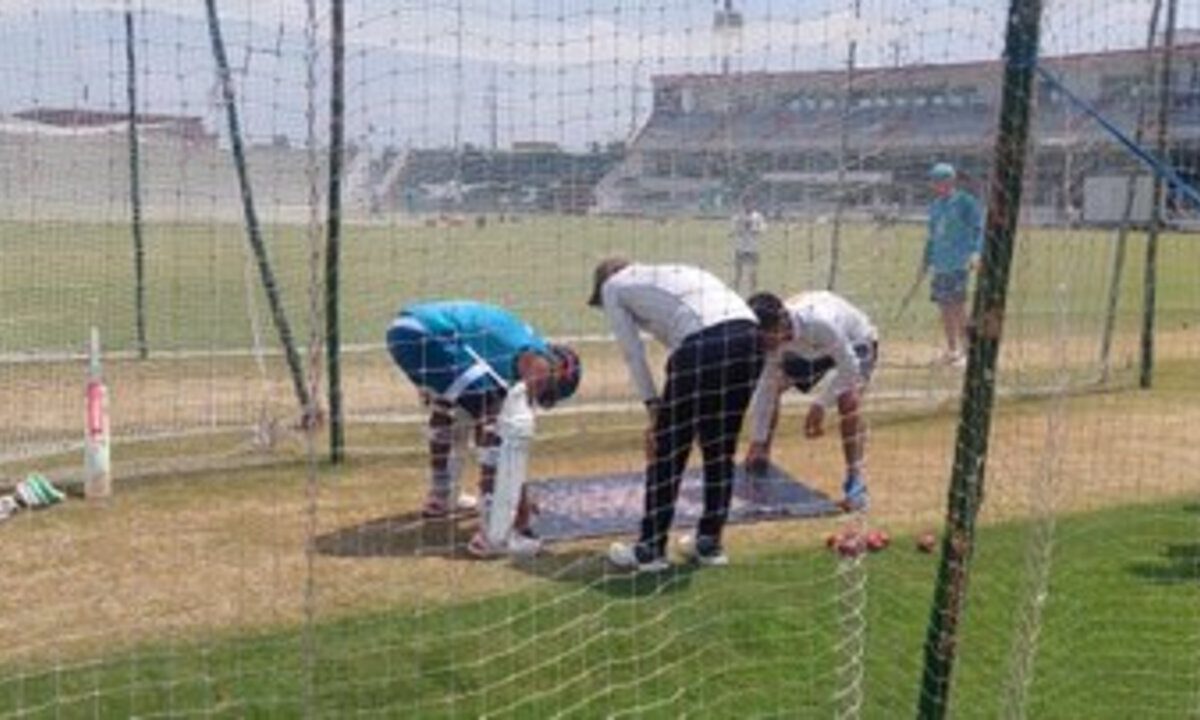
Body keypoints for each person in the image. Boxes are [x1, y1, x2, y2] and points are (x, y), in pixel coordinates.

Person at [588, 259, 763, 571]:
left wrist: (654, 407)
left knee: (669, 452)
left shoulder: (613, 287)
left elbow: (633, 353)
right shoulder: (671, 273)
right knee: (719, 449)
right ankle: (708, 544)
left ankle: (649, 550)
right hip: (751, 339)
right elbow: (682, 337)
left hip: (704, 345)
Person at [386, 300, 582, 558]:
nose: (540, 393)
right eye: (547, 388)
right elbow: (507, 431)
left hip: (406, 328)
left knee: (451, 406)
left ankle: (441, 496)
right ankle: (491, 533)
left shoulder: (521, 350)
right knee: (494, 414)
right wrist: (518, 503)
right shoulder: (538, 359)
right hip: (428, 335)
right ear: (556, 369)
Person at [744, 291, 878, 512]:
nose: (763, 345)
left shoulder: (819, 323)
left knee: (848, 400)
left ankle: (855, 481)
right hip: (810, 351)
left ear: (780, 323)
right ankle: (761, 456)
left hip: (855, 342)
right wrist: (757, 439)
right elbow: (765, 387)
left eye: (765, 338)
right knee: (774, 384)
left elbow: (850, 368)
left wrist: (820, 405)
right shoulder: (770, 340)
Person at [914, 162, 982, 367]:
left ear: (951, 181)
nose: (935, 185)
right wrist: (925, 262)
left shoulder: (965, 202)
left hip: (958, 262)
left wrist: (975, 253)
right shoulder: (935, 206)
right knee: (944, 307)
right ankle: (952, 349)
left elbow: (978, 229)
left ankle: (968, 350)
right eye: (933, 181)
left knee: (959, 307)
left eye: (939, 181)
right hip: (940, 265)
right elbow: (932, 237)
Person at [731, 200, 766, 295]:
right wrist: (741, 228)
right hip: (740, 248)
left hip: (753, 249)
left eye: (750, 203)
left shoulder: (757, 216)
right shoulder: (738, 216)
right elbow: (733, 230)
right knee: (738, 273)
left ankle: (753, 293)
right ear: (743, 205)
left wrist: (754, 229)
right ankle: (735, 292)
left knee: (753, 273)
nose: (749, 205)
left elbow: (763, 229)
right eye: (746, 203)